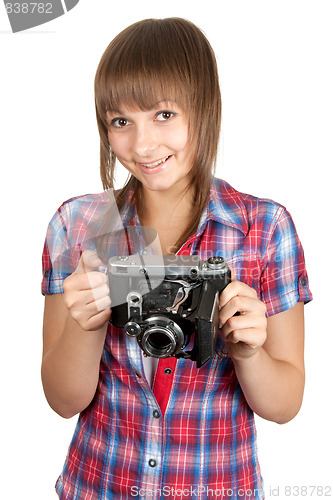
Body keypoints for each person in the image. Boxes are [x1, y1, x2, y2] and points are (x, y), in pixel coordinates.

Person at [41, 18, 312, 500]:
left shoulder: (264, 228)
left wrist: (247, 353)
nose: (142, 146)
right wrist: (87, 325)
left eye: (164, 114)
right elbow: (63, 401)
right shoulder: (80, 224)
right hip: (98, 485)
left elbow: (285, 404)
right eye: (121, 121)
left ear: (204, 108)